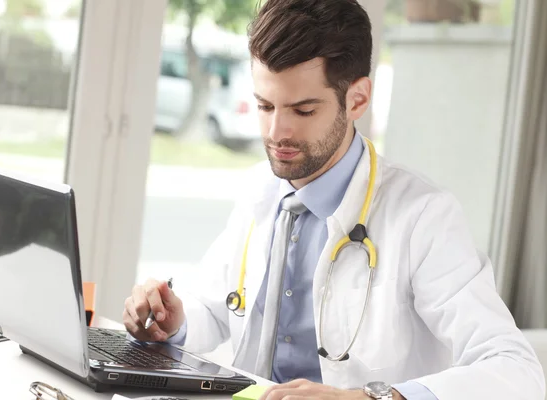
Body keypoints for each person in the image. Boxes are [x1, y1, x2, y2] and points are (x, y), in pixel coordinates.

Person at [123, 0, 546, 399]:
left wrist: (371, 397)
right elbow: (215, 313)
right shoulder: (260, 188)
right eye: (265, 106)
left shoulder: (423, 216)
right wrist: (171, 323)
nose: (276, 133)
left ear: (357, 98)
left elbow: (516, 368)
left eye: (303, 111)